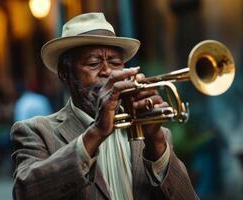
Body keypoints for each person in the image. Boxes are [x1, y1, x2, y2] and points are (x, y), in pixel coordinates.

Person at [11, 13, 198, 200]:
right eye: (93, 63)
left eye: (116, 63)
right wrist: (96, 132)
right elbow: (25, 193)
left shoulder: (157, 135)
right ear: (64, 73)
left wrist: (156, 143)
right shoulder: (36, 131)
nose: (108, 71)